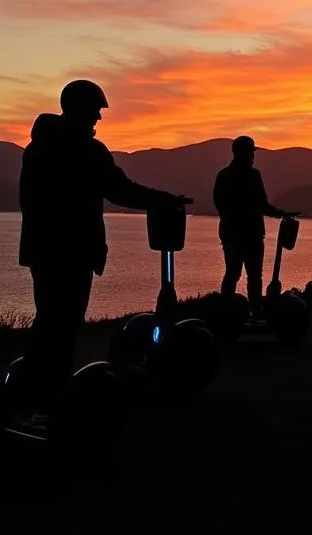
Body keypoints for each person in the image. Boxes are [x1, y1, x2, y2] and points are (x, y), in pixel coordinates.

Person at [17, 79, 188, 424]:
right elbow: (121, 190)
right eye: (95, 110)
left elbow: (28, 202)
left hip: (42, 250)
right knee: (64, 326)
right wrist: (163, 199)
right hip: (75, 251)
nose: (99, 118)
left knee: (48, 322)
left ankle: (33, 395)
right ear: (78, 109)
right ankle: (54, 403)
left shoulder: (37, 149)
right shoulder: (88, 152)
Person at [213, 135, 288, 315]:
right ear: (244, 153)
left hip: (232, 233)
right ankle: (254, 310)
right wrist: (278, 213)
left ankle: (227, 311)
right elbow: (262, 203)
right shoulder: (253, 175)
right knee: (253, 275)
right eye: (251, 152)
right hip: (250, 233)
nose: (253, 156)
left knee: (233, 273)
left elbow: (220, 204)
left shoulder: (223, 175)